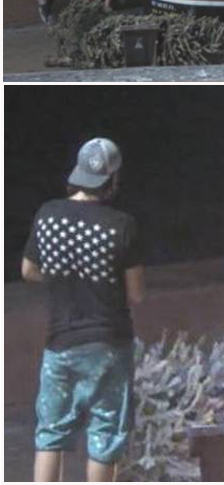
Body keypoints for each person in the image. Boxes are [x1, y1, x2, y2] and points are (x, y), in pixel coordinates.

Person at [21, 138, 145, 482]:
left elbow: (28, 271)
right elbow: (136, 294)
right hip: (108, 344)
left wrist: (65, 277)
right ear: (113, 179)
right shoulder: (122, 225)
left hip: (60, 342)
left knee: (50, 434)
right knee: (105, 435)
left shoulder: (47, 214)